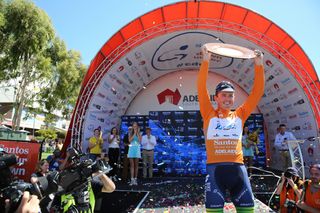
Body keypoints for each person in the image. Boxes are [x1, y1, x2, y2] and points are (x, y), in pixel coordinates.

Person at [198, 46, 264, 212]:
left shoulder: (240, 114)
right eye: (224, 95)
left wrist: (258, 64)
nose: (227, 98)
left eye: (230, 95)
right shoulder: (208, 113)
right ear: (217, 97)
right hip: (215, 172)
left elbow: (257, 92)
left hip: (238, 172)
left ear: (234, 98)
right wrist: (205, 62)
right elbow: (201, 87)